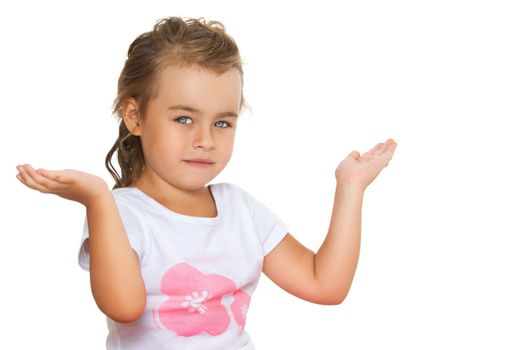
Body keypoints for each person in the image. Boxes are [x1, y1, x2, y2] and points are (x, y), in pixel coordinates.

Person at [15, 16, 397, 350]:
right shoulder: (121, 215)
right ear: (135, 117)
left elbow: (324, 285)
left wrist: (351, 188)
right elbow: (123, 307)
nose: (206, 139)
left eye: (222, 122)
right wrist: (97, 200)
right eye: (184, 119)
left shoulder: (241, 209)